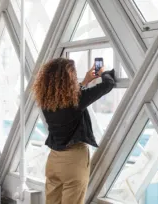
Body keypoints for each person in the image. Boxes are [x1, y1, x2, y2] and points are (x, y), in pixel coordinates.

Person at [32, 57, 115, 204]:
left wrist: (85, 82)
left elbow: (67, 100)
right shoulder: (77, 100)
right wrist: (102, 73)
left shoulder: (45, 102)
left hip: (54, 161)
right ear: (69, 78)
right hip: (74, 161)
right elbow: (108, 85)